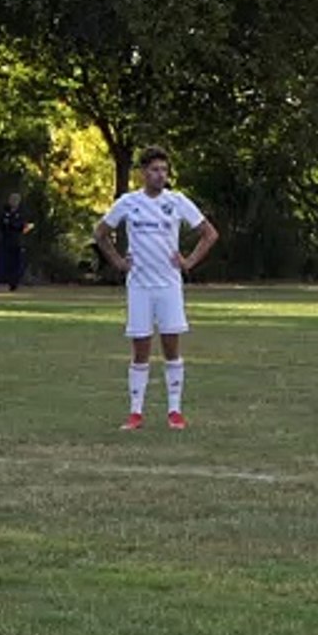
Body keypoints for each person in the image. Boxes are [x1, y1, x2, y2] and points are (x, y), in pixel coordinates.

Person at [94, 146, 219, 431]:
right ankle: (135, 412)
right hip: (139, 286)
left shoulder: (176, 201)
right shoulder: (128, 202)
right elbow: (100, 233)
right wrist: (117, 261)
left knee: (171, 347)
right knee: (140, 349)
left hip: (168, 286)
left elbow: (209, 234)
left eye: (164, 170)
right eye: (154, 170)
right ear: (143, 173)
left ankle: (174, 411)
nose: (160, 175)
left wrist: (188, 261)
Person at [0, 193, 33, 292]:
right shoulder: (4, 212)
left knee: (16, 264)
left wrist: (22, 227)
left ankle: (13, 284)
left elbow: (23, 226)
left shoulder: (21, 213)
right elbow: (5, 226)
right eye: (13, 200)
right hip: (5, 241)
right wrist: (17, 226)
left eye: (16, 200)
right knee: (1, 263)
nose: (14, 202)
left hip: (17, 242)